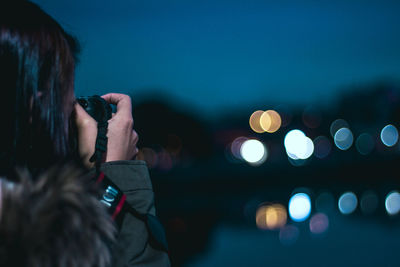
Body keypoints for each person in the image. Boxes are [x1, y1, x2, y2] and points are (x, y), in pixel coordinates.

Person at [0, 1, 170, 266]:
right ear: (39, 100)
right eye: (67, 87)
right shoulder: (23, 220)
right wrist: (115, 174)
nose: (73, 105)